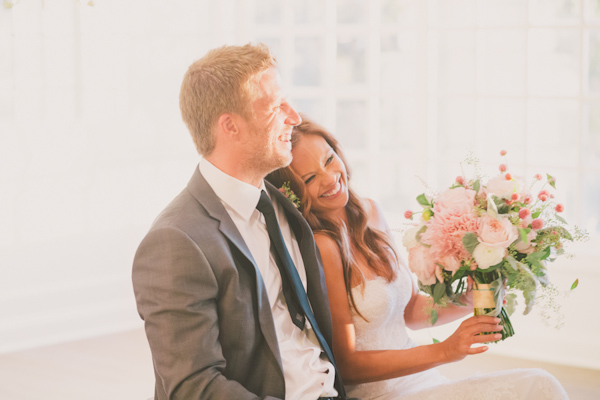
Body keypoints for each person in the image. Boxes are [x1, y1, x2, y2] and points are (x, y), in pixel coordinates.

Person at [266, 116, 569, 400]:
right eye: (310, 178)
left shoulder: (370, 212)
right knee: (539, 384)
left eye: (330, 159)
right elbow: (346, 366)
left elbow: (410, 311)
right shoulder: (323, 246)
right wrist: (447, 350)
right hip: (384, 394)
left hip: (425, 382)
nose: (330, 178)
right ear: (293, 193)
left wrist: (474, 297)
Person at [132, 44, 348, 400]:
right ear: (230, 126)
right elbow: (193, 387)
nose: (294, 117)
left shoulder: (280, 202)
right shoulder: (175, 241)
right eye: (276, 106)